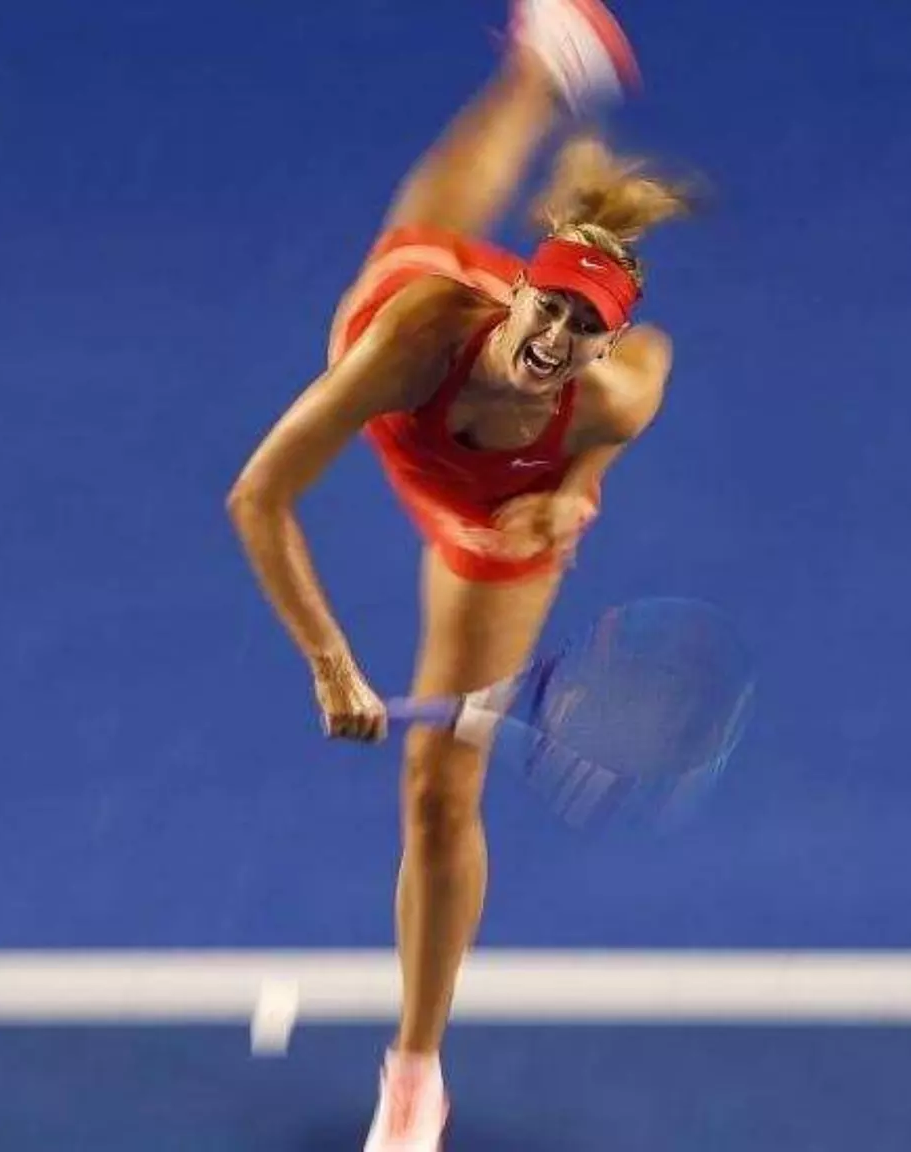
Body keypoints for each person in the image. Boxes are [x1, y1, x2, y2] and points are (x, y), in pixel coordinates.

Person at [225, 1, 694, 1146]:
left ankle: (414, 1075)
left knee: (439, 792)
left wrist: (576, 487)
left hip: (486, 513)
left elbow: (638, 395)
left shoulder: (612, 388)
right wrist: (330, 665)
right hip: (408, 359)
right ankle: (543, 60)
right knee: (432, 210)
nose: (556, 339)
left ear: (602, 343)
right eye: (549, 305)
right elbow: (259, 496)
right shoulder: (420, 334)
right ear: (514, 290)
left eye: (586, 329)